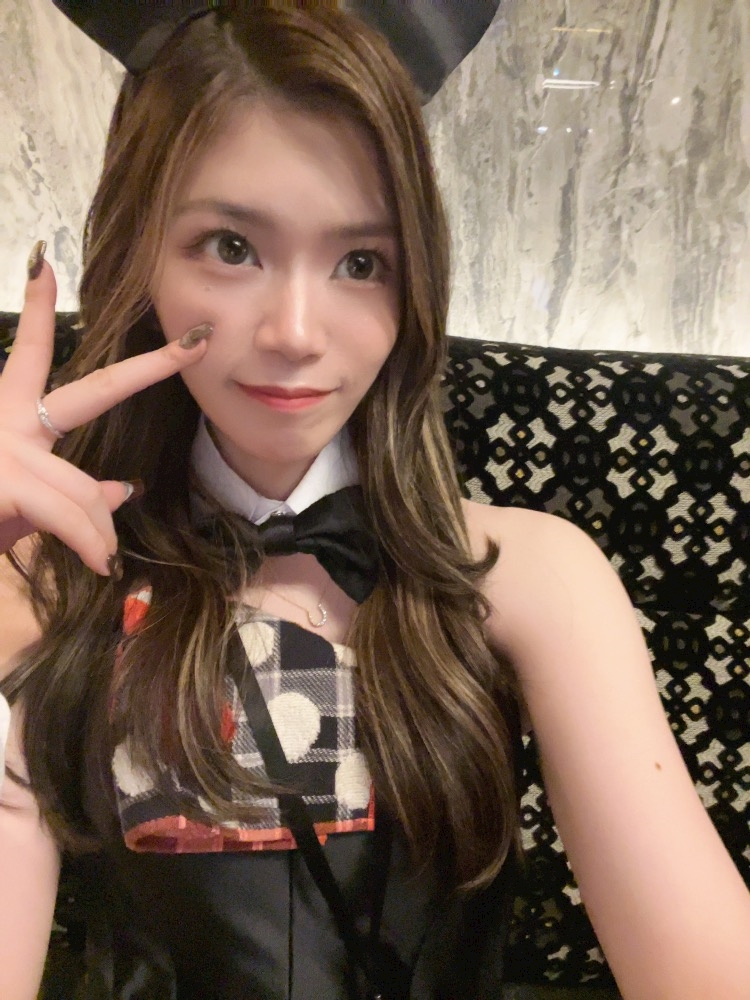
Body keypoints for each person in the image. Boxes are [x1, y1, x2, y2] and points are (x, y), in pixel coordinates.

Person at [1, 6, 749, 1000]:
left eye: (361, 262)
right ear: (143, 256)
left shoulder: (533, 577)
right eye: (231, 246)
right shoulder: (45, 582)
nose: (295, 331)